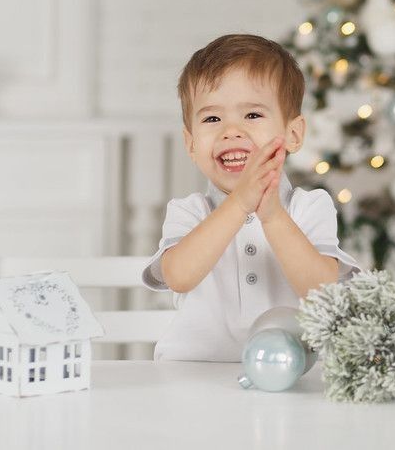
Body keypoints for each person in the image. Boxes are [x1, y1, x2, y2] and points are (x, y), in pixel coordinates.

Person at [142, 33, 361, 361]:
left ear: (293, 135)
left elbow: (322, 293)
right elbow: (179, 277)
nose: (231, 131)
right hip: (193, 377)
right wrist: (240, 203)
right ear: (190, 144)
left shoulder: (310, 206)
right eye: (212, 118)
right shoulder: (189, 211)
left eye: (253, 115)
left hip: (291, 379)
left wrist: (272, 216)